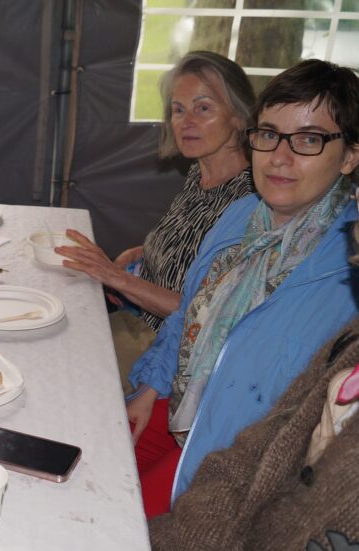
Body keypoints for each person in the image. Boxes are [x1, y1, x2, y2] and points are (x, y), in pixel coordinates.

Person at [149, 85, 359, 551]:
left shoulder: (351, 287)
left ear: (351, 156)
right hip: (193, 446)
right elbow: (245, 471)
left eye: (309, 139)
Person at [127, 59, 359, 518]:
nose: (279, 157)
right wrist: (149, 387)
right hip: (184, 403)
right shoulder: (239, 216)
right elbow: (188, 313)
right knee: (91, 463)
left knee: (122, 522)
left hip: (236, 456)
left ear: (350, 155)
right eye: (269, 134)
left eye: (308, 140)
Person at [56, 51, 255, 387]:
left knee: (59, 366)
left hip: (166, 354)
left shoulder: (248, 203)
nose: (185, 121)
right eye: (178, 110)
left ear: (238, 116)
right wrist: (137, 254)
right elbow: (184, 245)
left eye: (203, 108)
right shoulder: (200, 174)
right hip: (134, 319)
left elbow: (202, 312)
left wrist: (118, 279)